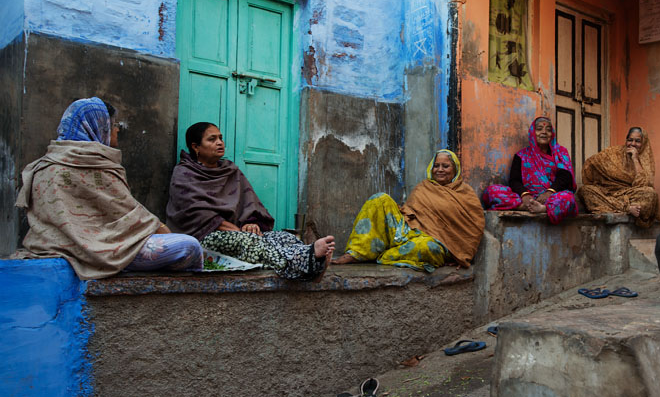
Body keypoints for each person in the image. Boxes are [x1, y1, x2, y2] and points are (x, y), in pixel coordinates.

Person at [15, 97, 203, 280]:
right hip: (106, 249)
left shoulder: (43, 165)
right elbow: (127, 213)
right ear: (99, 126)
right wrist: (160, 228)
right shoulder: (95, 163)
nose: (116, 131)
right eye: (114, 125)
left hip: (55, 245)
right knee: (189, 246)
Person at [166, 122, 335, 279]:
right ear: (196, 147)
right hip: (202, 237)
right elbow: (196, 213)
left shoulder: (230, 171)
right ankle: (308, 262)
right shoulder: (184, 174)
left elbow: (249, 203)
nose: (220, 143)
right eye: (212, 139)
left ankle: (310, 259)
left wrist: (251, 223)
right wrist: (237, 231)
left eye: (220, 138)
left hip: (236, 231)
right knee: (250, 242)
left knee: (282, 237)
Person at [331, 149, 485, 272]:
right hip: (408, 232)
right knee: (379, 199)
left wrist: (460, 255)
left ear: (455, 169)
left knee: (427, 248)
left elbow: (473, 227)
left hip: (433, 242)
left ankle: (383, 255)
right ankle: (356, 253)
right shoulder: (423, 188)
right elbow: (409, 213)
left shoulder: (465, 194)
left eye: (445, 166)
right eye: (436, 166)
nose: (440, 170)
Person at [481, 116, 578, 224]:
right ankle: (526, 206)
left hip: (551, 197)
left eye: (548, 130)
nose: (544, 132)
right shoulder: (521, 156)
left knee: (568, 198)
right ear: (533, 132)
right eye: (539, 129)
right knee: (491, 191)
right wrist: (525, 195)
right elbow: (514, 180)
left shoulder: (560, 153)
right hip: (527, 197)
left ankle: (543, 209)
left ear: (552, 134)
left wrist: (548, 193)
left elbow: (565, 177)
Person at [577, 126, 659, 228]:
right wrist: (602, 176)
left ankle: (621, 207)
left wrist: (635, 159)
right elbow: (590, 165)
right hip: (607, 193)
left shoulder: (646, 160)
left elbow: (643, 184)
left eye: (637, 141)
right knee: (585, 190)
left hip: (630, 194)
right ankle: (627, 208)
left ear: (643, 143)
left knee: (651, 195)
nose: (633, 144)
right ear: (626, 140)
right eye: (630, 140)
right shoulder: (614, 152)